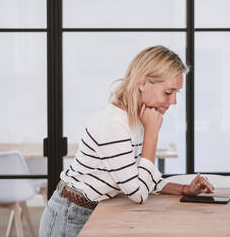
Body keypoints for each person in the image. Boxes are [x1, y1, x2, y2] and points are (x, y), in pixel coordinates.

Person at [39, 45, 214, 237]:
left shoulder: (136, 119)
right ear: (143, 83)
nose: (173, 102)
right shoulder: (114, 124)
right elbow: (138, 193)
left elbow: (141, 179)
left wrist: (185, 189)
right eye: (168, 92)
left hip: (92, 210)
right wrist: (152, 135)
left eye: (176, 93)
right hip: (71, 215)